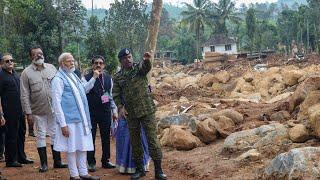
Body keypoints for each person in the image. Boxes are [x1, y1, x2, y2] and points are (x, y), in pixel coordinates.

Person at [113, 48, 167, 180]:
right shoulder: (118, 76)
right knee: (135, 142)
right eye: (125, 58)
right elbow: (116, 94)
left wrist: (147, 59)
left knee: (152, 140)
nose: (129, 59)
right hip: (131, 113)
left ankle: (159, 170)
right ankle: (139, 169)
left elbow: (146, 67)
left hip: (146, 110)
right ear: (121, 61)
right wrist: (120, 107)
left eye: (130, 56)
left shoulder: (139, 68)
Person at [51, 52, 99, 180]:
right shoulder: (58, 79)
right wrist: (63, 124)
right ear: (62, 63)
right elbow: (56, 103)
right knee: (71, 148)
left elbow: (84, 90)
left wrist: (93, 78)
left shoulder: (73, 76)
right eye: (69, 61)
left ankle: (83, 173)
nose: (72, 63)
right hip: (69, 120)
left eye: (73, 61)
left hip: (81, 118)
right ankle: (74, 175)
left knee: (82, 145)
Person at [20, 46, 67, 172]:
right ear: (31, 57)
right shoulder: (26, 73)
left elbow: (60, 86)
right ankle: (44, 164)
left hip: (53, 109)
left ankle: (57, 162)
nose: (39, 56)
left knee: (54, 134)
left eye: (40, 53)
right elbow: (24, 94)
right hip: (37, 110)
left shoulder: (51, 68)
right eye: (35, 54)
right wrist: (28, 113)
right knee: (40, 135)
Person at [84, 55, 117, 172]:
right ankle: (91, 162)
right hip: (91, 113)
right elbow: (84, 90)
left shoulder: (108, 78)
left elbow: (110, 95)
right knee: (90, 137)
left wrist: (114, 110)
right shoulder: (86, 77)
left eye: (101, 63)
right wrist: (93, 77)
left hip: (105, 112)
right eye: (96, 63)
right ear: (92, 65)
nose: (98, 65)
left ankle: (106, 161)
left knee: (105, 137)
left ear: (104, 65)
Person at [0, 53, 34, 167]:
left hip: (20, 111)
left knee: (21, 133)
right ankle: (11, 160)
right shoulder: (1, 76)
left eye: (11, 60)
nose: (10, 62)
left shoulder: (15, 74)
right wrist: (1, 114)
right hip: (8, 112)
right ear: (1, 64)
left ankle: (21, 157)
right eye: (7, 61)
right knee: (11, 135)